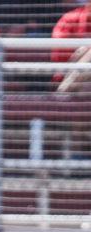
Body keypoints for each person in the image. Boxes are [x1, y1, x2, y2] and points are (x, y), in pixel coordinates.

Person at [51, 0, 91, 159]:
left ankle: (75, 158)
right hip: (76, 83)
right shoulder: (71, 19)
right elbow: (59, 57)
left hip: (71, 87)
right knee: (85, 89)